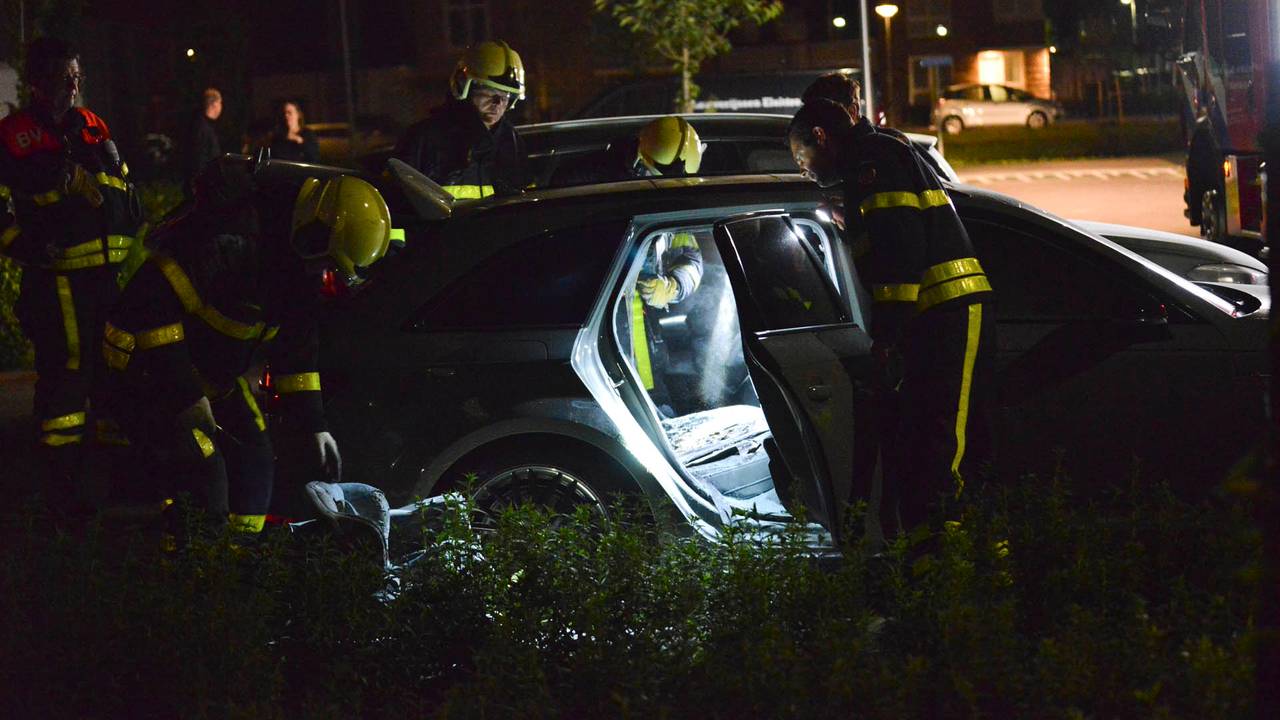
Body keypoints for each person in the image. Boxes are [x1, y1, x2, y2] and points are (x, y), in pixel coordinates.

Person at [100, 156, 393, 535]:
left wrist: (315, 426)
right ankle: (191, 565)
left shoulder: (298, 262)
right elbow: (151, 312)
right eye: (327, 263)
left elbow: (296, 357)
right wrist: (187, 397)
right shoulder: (230, 242)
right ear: (313, 230)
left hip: (211, 376)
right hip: (147, 370)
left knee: (255, 463)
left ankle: (236, 562)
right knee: (204, 467)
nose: (325, 274)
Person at [788, 98, 996, 537]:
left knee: (943, 445)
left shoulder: (873, 163)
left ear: (820, 137)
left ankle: (959, 566)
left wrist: (886, 336)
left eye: (801, 158)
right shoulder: (870, 163)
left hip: (949, 310)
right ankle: (944, 555)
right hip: (932, 316)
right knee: (929, 441)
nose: (804, 170)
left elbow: (900, 258)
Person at [0, 37, 142, 506]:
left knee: (115, 379)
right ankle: (61, 497)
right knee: (66, 385)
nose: (75, 86)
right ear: (39, 85)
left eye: (78, 76)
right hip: (56, 283)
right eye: (65, 78)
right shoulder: (14, 134)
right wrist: (27, 247)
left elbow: (121, 183)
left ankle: (117, 487)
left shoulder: (93, 125)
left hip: (106, 278)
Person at [557, 117, 706, 412]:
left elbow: (691, 258)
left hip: (643, 344)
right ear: (639, 160)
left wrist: (673, 286)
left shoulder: (668, 195)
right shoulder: (595, 188)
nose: (665, 189)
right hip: (597, 339)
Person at [394, 40, 529, 199]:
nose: (498, 104)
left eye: (506, 96)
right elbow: (399, 206)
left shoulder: (511, 141)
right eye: (490, 92)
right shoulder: (423, 139)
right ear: (463, 87)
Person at [183, 88, 222, 196]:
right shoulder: (201, 128)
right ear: (214, 104)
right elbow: (198, 158)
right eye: (220, 103)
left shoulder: (203, 125)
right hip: (202, 187)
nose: (221, 107)